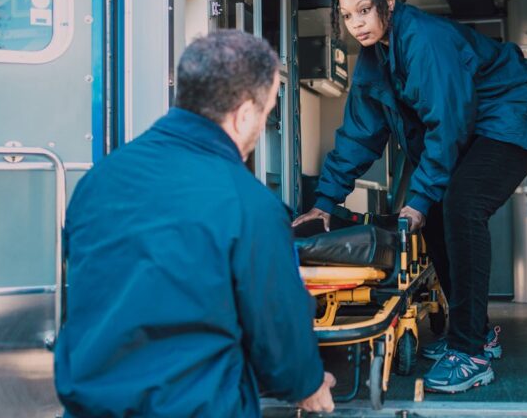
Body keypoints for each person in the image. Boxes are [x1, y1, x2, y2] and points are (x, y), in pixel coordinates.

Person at [293, 0, 527, 393]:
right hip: (477, 124)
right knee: (436, 207)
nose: (356, 23)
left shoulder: (425, 40)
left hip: (519, 112)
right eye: (346, 15)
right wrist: (326, 202)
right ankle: (475, 330)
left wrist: (419, 198)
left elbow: (448, 122)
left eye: (364, 10)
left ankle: (471, 351)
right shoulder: (372, 60)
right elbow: (360, 135)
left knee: (461, 203)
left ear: (390, 1)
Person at [55, 30, 335, 416]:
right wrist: (307, 382)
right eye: (267, 111)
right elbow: (278, 330)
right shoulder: (249, 204)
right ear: (245, 114)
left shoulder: (98, 182)